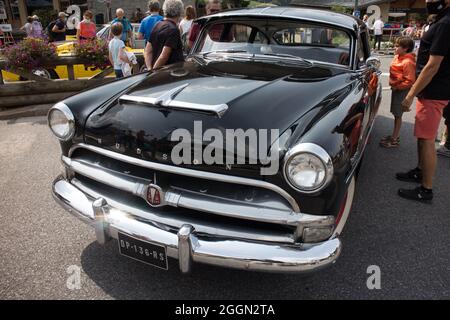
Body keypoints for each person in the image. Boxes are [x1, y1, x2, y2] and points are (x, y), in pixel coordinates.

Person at [397, 0, 450, 202]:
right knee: (422, 135)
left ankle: (426, 189)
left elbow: (433, 65)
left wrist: (411, 94)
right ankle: (420, 171)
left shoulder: (445, 23)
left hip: (434, 90)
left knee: (427, 139)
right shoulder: (442, 20)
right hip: (433, 89)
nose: (428, 1)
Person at [380, 37, 416, 148]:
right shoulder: (398, 57)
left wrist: (398, 87)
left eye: (397, 46)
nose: (395, 48)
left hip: (401, 91)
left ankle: (395, 139)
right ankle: (394, 135)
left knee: (398, 114)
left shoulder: (407, 62)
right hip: (396, 89)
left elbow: (410, 80)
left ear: (406, 49)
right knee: (396, 113)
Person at [144, 0, 184, 70]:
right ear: (179, 12)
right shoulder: (173, 30)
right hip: (168, 73)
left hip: (157, 72)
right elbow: (164, 55)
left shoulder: (157, 24)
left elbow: (148, 50)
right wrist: (153, 72)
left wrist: (149, 69)